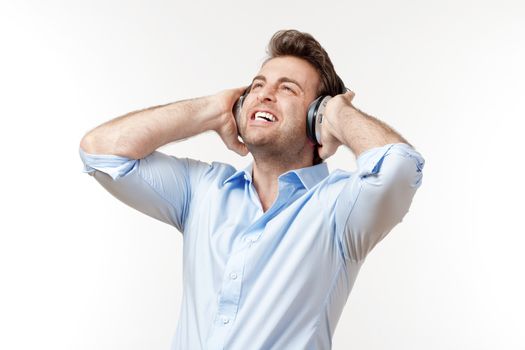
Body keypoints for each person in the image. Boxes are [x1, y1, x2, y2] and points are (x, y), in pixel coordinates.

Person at [79, 29, 424, 350]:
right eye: (257, 86)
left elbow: (400, 167)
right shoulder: (203, 190)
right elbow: (101, 152)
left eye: (288, 88)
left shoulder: (339, 209)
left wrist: (337, 113)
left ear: (314, 118)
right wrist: (209, 111)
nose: (265, 94)